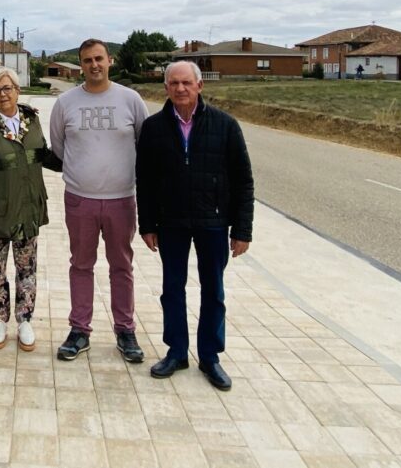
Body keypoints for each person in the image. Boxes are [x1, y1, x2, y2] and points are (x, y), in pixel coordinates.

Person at [136, 60, 254, 391]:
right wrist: (147, 224)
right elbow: (144, 180)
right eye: (173, 83)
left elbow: (244, 181)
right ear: (166, 89)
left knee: (213, 291)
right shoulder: (154, 127)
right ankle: (176, 352)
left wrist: (242, 230)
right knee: (172, 290)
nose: (180, 89)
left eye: (186, 83)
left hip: (213, 222)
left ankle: (210, 357)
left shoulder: (226, 126)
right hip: (171, 223)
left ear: (200, 86)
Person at [49, 39, 147, 363]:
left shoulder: (130, 100)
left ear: (110, 61)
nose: (94, 65)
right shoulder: (65, 103)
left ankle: (125, 330)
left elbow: (144, 147)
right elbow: (60, 149)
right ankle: (79, 330)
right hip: (80, 200)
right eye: (87, 60)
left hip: (121, 200)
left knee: (122, 265)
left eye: (99, 59)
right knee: (81, 265)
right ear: (80, 64)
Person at [0, 67, 62, 352]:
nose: (3, 94)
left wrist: (77, 162)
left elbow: (42, 153)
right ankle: (0, 319)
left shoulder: (31, 119)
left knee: (27, 268)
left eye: (7, 88)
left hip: (28, 207)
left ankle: (25, 320)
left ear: (17, 89)